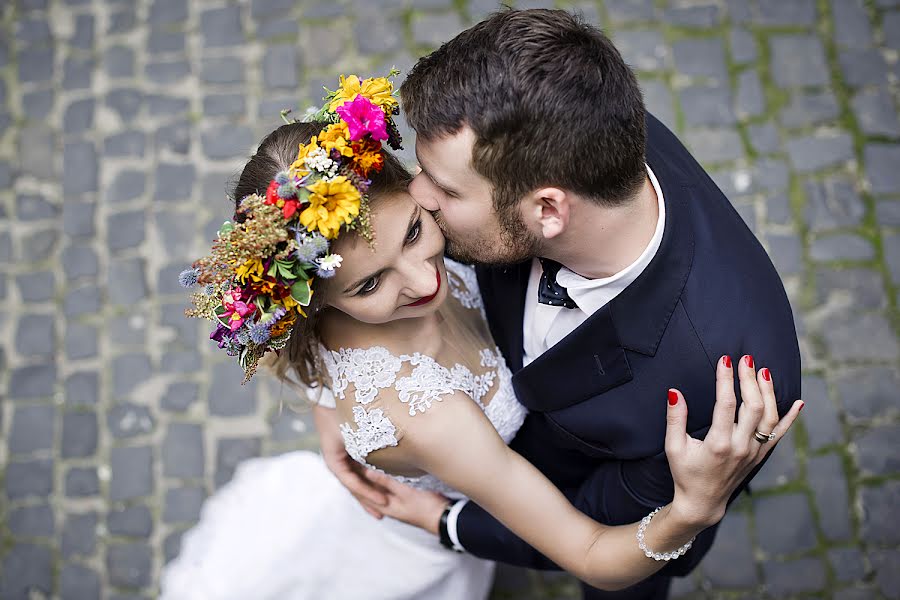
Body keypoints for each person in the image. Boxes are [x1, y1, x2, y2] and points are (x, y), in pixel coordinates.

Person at [161, 84, 801, 598]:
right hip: (452, 495)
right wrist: (692, 509)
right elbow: (590, 556)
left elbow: (319, 355)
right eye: (370, 285)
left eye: (415, 231)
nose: (423, 280)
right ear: (315, 301)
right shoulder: (432, 415)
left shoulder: (364, 257)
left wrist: (332, 417)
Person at [318, 8, 803, 600]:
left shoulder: (717, 384)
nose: (416, 196)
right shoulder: (576, 124)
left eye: (443, 188)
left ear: (548, 210)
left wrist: (446, 521)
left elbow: (604, 528)